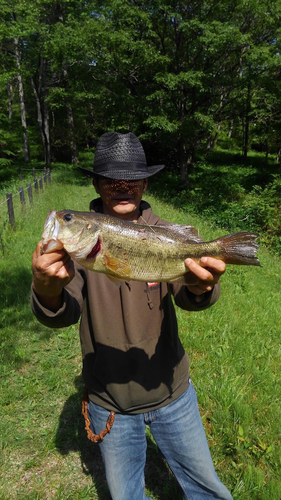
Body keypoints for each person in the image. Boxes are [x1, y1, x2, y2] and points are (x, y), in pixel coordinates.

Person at [31, 132, 233, 500]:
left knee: (209, 490)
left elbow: (189, 294)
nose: (122, 188)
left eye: (132, 180)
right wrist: (47, 288)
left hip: (173, 392)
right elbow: (64, 311)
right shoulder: (81, 247)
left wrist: (203, 288)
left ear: (144, 184)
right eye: (112, 180)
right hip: (110, 402)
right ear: (97, 183)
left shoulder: (164, 234)